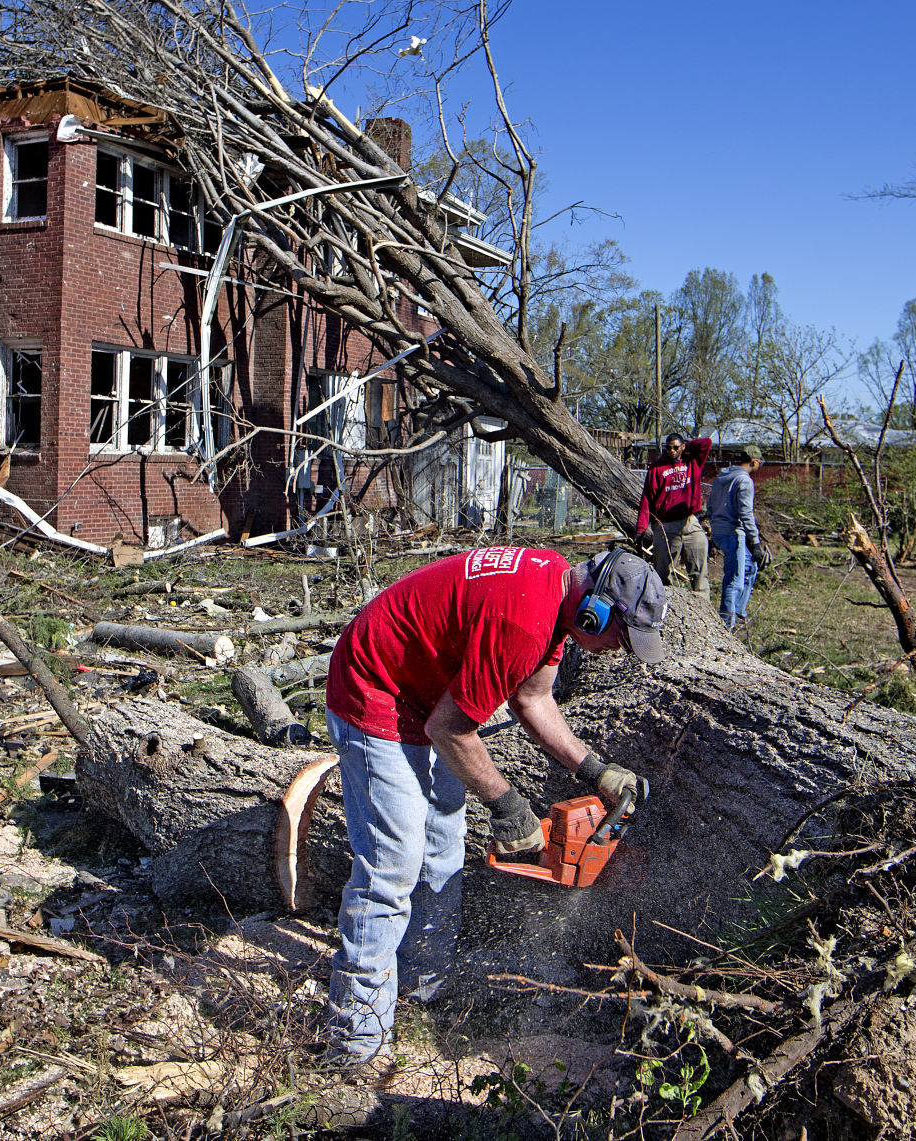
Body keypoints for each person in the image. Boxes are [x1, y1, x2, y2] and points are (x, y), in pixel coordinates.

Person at [321, 545, 668, 1069]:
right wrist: (507, 805)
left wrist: (594, 770)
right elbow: (450, 728)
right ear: (594, 610)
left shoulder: (556, 597)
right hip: (375, 687)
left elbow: (533, 700)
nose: (615, 651)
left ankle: (420, 993)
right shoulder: (524, 622)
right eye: (619, 638)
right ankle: (355, 1045)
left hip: (429, 694)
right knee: (392, 867)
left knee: (442, 853)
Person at [635, 432, 713, 598]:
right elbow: (647, 500)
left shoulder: (692, 461)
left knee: (699, 571)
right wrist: (641, 529)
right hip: (666, 526)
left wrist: (686, 448)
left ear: (682, 447)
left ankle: (703, 606)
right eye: (668, 447)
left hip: (690, 522)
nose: (672, 451)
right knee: (662, 575)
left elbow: (706, 443)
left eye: (676, 447)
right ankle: (665, 609)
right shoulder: (656, 468)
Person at [706, 444, 770, 631]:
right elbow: (746, 513)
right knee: (734, 579)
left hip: (718, 530)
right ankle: (727, 625)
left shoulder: (720, 478)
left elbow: (709, 505)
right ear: (754, 461)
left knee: (751, 567)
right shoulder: (745, 481)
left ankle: (739, 612)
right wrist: (755, 541)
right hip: (734, 533)